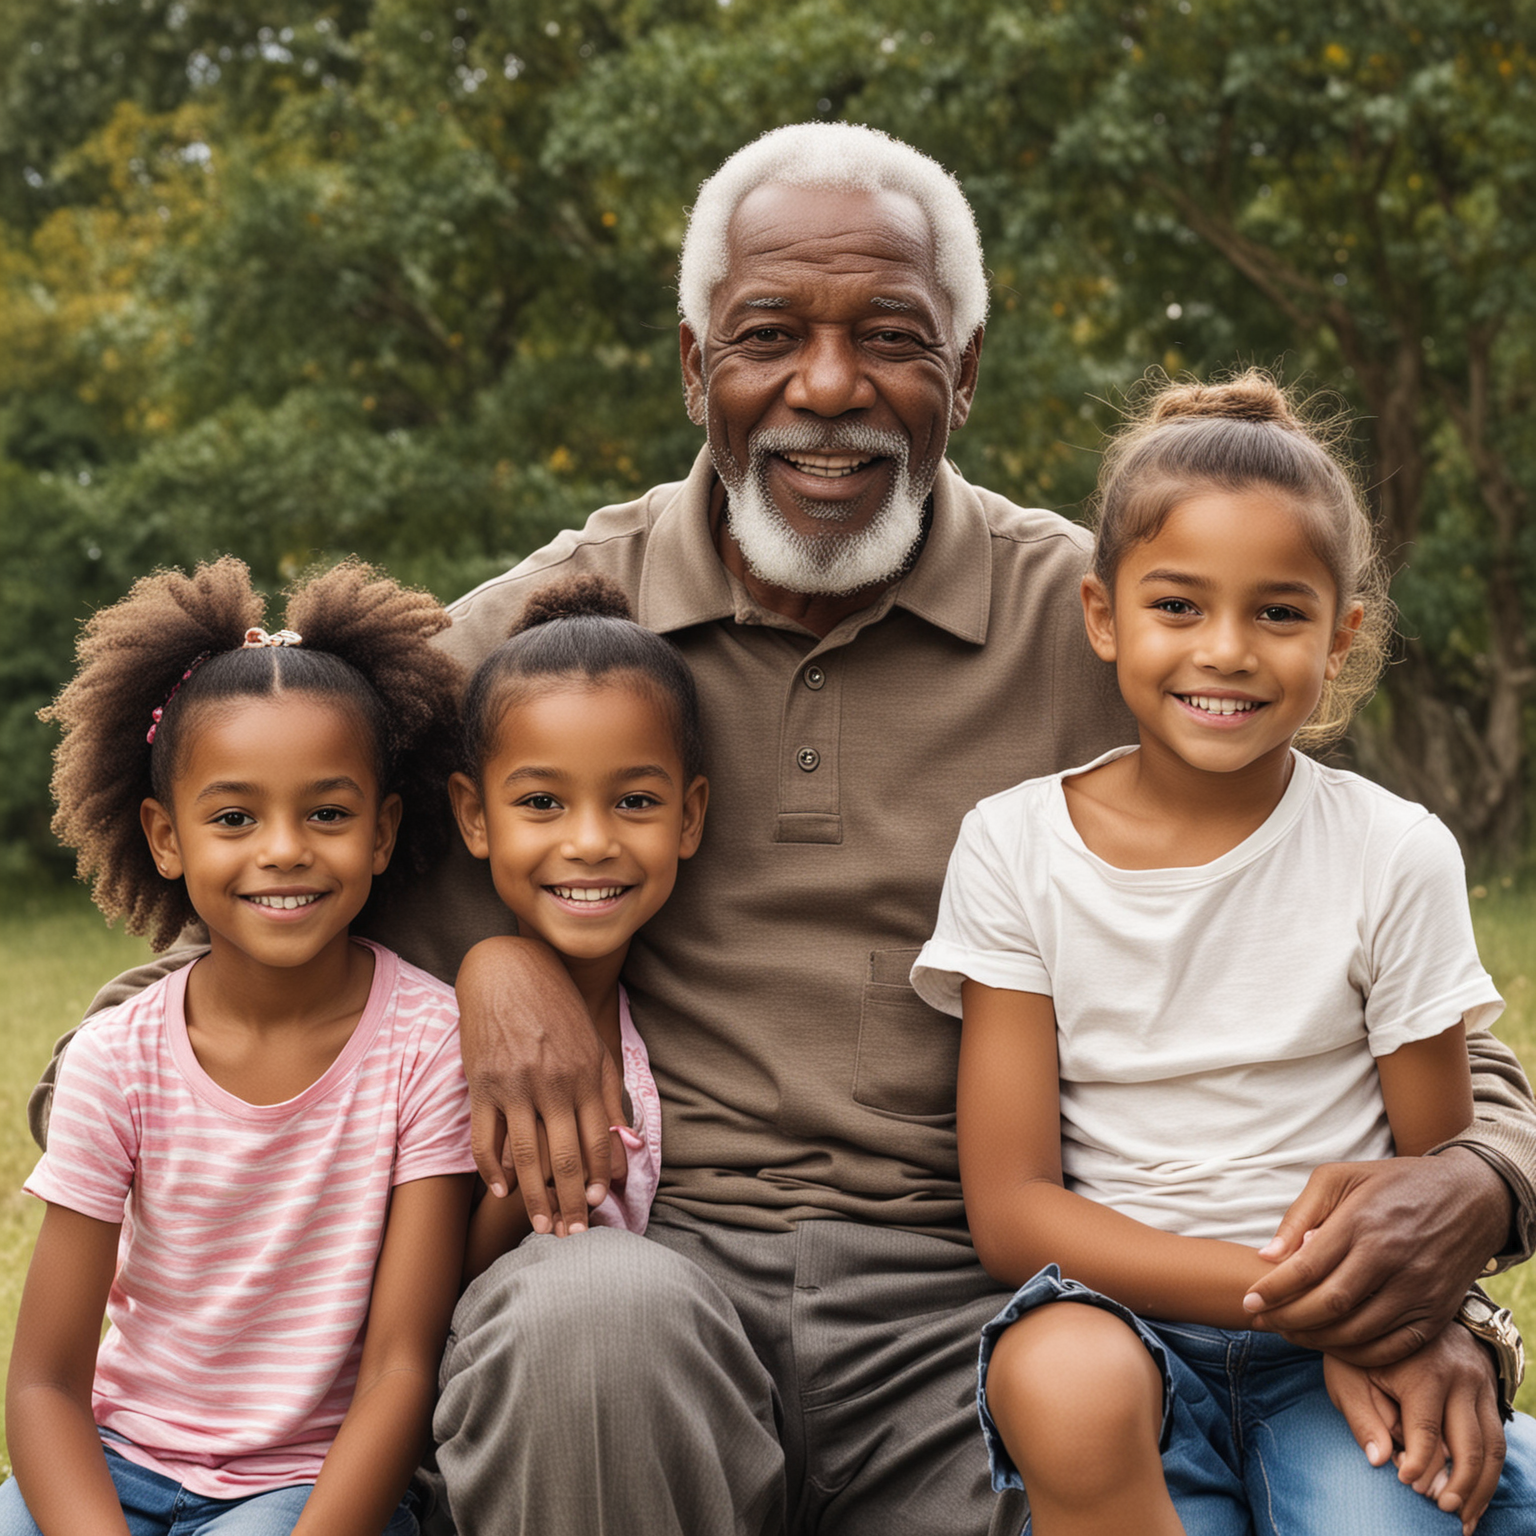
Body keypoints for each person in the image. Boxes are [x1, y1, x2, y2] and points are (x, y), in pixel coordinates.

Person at [30, 124, 1536, 1535]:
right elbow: (168, 1009)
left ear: (966, 368)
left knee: (1195, 1423)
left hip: (987, 1300)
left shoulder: (1119, 629)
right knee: (582, 1326)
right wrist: (497, 965)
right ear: (696, 366)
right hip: (652, 1269)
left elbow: (1405, 999)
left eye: (890, 336)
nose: (828, 386)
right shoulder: (538, 638)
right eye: (768, 335)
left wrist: (1450, 1240)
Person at [912, 371, 1536, 1536]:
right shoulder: (1015, 845)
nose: (1230, 651)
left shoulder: (1393, 854)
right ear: (1104, 617)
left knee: (1383, 1517)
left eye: (1281, 613)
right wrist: (1308, 1304)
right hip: (1124, 1320)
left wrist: (1374, 1321)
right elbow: (1012, 1208)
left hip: (1335, 1346)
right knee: (1059, 1381)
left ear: (1342, 637)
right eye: (1180, 606)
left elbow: (1429, 1169)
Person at [4, 558, 477, 1536]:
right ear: (165, 837)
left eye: (328, 813)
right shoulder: (115, 1060)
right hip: (120, 1468)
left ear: (383, 831)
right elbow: (46, 1384)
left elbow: (399, 1368)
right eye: (233, 817)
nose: (283, 849)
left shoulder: (427, 1048)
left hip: (310, 1494)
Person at [446, 574, 708, 1276]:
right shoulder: (445, 1054)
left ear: (689, 817)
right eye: (541, 801)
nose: (590, 841)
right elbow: (442, 1291)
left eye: (634, 801)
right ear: (475, 817)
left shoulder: (663, 1037)